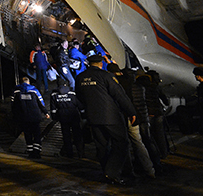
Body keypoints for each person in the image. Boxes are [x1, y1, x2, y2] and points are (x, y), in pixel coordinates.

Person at [76, 54, 136, 185]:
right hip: (111, 116)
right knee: (121, 143)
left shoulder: (80, 77)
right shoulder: (107, 76)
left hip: (93, 117)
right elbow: (120, 95)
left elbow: (80, 97)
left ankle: (107, 173)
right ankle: (112, 172)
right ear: (101, 63)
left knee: (101, 146)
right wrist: (131, 111)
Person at [107, 64, 157, 178]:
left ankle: (128, 171)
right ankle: (150, 169)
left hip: (121, 117)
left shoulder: (114, 84)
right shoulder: (136, 85)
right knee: (138, 142)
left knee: (123, 144)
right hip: (135, 117)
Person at [12, 76, 49, 159]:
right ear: (28, 82)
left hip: (24, 117)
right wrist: (46, 112)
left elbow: (13, 105)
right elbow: (41, 102)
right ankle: (37, 153)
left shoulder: (16, 91)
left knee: (27, 135)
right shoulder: (34, 90)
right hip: (35, 116)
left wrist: (15, 116)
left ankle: (30, 152)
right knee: (36, 134)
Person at [50, 80, 85, 159]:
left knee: (66, 135)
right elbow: (79, 105)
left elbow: (53, 108)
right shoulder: (72, 93)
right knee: (77, 134)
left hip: (63, 117)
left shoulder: (54, 94)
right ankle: (81, 153)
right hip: (74, 116)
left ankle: (69, 153)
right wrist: (83, 114)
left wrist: (54, 117)